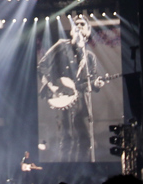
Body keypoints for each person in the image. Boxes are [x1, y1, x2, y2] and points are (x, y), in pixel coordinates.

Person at [37, 14, 104, 161]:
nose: (79, 27)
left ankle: (84, 171)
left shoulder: (89, 57)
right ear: (72, 30)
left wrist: (96, 84)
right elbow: (41, 67)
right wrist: (52, 86)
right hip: (61, 98)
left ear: (87, 31)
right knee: (66, 138)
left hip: (80, 102)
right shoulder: (62, 45)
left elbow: (89, 82)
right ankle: (64, 171)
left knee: (85, 138)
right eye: (76, 24)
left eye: (82, 25)